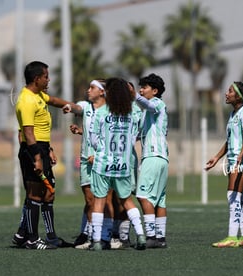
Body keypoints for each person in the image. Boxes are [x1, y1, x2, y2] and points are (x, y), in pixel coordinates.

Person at [12, 60, 74, 249]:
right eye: (46, 76)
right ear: (37, 78)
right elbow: (29, 133)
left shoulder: (38, 95)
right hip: (32, 151)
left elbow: (53, 101)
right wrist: (38, 158)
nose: (49, 80)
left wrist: (72, 106)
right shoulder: (27, 100)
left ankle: (37, 236)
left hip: (42, 148)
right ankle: (31, 239)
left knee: (48, 193)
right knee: (35, 195)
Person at [89, 77, 146, 251]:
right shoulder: (131, 114)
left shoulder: (101, 112)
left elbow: (93, 140)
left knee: (99, 201)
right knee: (127, 201)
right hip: (123, 165)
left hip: (103, 164)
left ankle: (97, 241)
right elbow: (134, 138)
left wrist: (103, 150)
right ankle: (141, 235)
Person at [205, 82, 243, 248]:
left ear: (239, 96)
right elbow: (230, 141)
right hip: (235, 159)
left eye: (230, 91)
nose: (226, 94)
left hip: (242, 160)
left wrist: (240, 157)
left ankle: (232, 237)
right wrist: (217, 158)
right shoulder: (234, 114)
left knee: (232, 196)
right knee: (240, 198)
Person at [63, 79, 107, 249]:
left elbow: (107, 136)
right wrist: (69, 107)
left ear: (102, 91)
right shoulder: (87, 106)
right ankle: (88, 235)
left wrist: (99, 154)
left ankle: (104, 235)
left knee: (103, 198)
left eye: (92, 87)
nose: (88, 90)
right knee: (89, 199)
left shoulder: (109, 111)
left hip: (103, 159)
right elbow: (77, 107)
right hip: (85, 159)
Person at [135, 73, 169, 248]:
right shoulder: (146, 114)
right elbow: (137, 136)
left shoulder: (157, 103)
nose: (141, 90)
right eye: (140, 87)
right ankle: (161, 238)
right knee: (159, 200)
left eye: (144, 88)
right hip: (161, 157)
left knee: (143, 195)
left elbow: (148, 104)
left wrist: (133, 94)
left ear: (155, 91)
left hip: (153, 156)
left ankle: (151, 236)